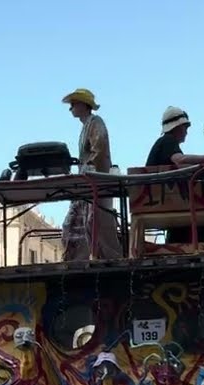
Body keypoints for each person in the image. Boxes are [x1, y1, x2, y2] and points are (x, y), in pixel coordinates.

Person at [145, 106, 204, 247]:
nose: (186, 132)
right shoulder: (167, 141)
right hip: (163, 202)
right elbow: (179, 159)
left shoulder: (165, 143)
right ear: (177, 128)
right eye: (185, 128)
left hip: (163, 200)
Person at [60, 88, 121, 261]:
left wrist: (89, 170)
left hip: (94, 181)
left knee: (93, 223)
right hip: (87, 182)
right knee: (76, 225)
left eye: (73, 104)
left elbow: (99, 149)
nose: (70, 108)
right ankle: (83, 258)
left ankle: (102, 258)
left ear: (83, 105)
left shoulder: (95, 122)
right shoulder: (87, 126)